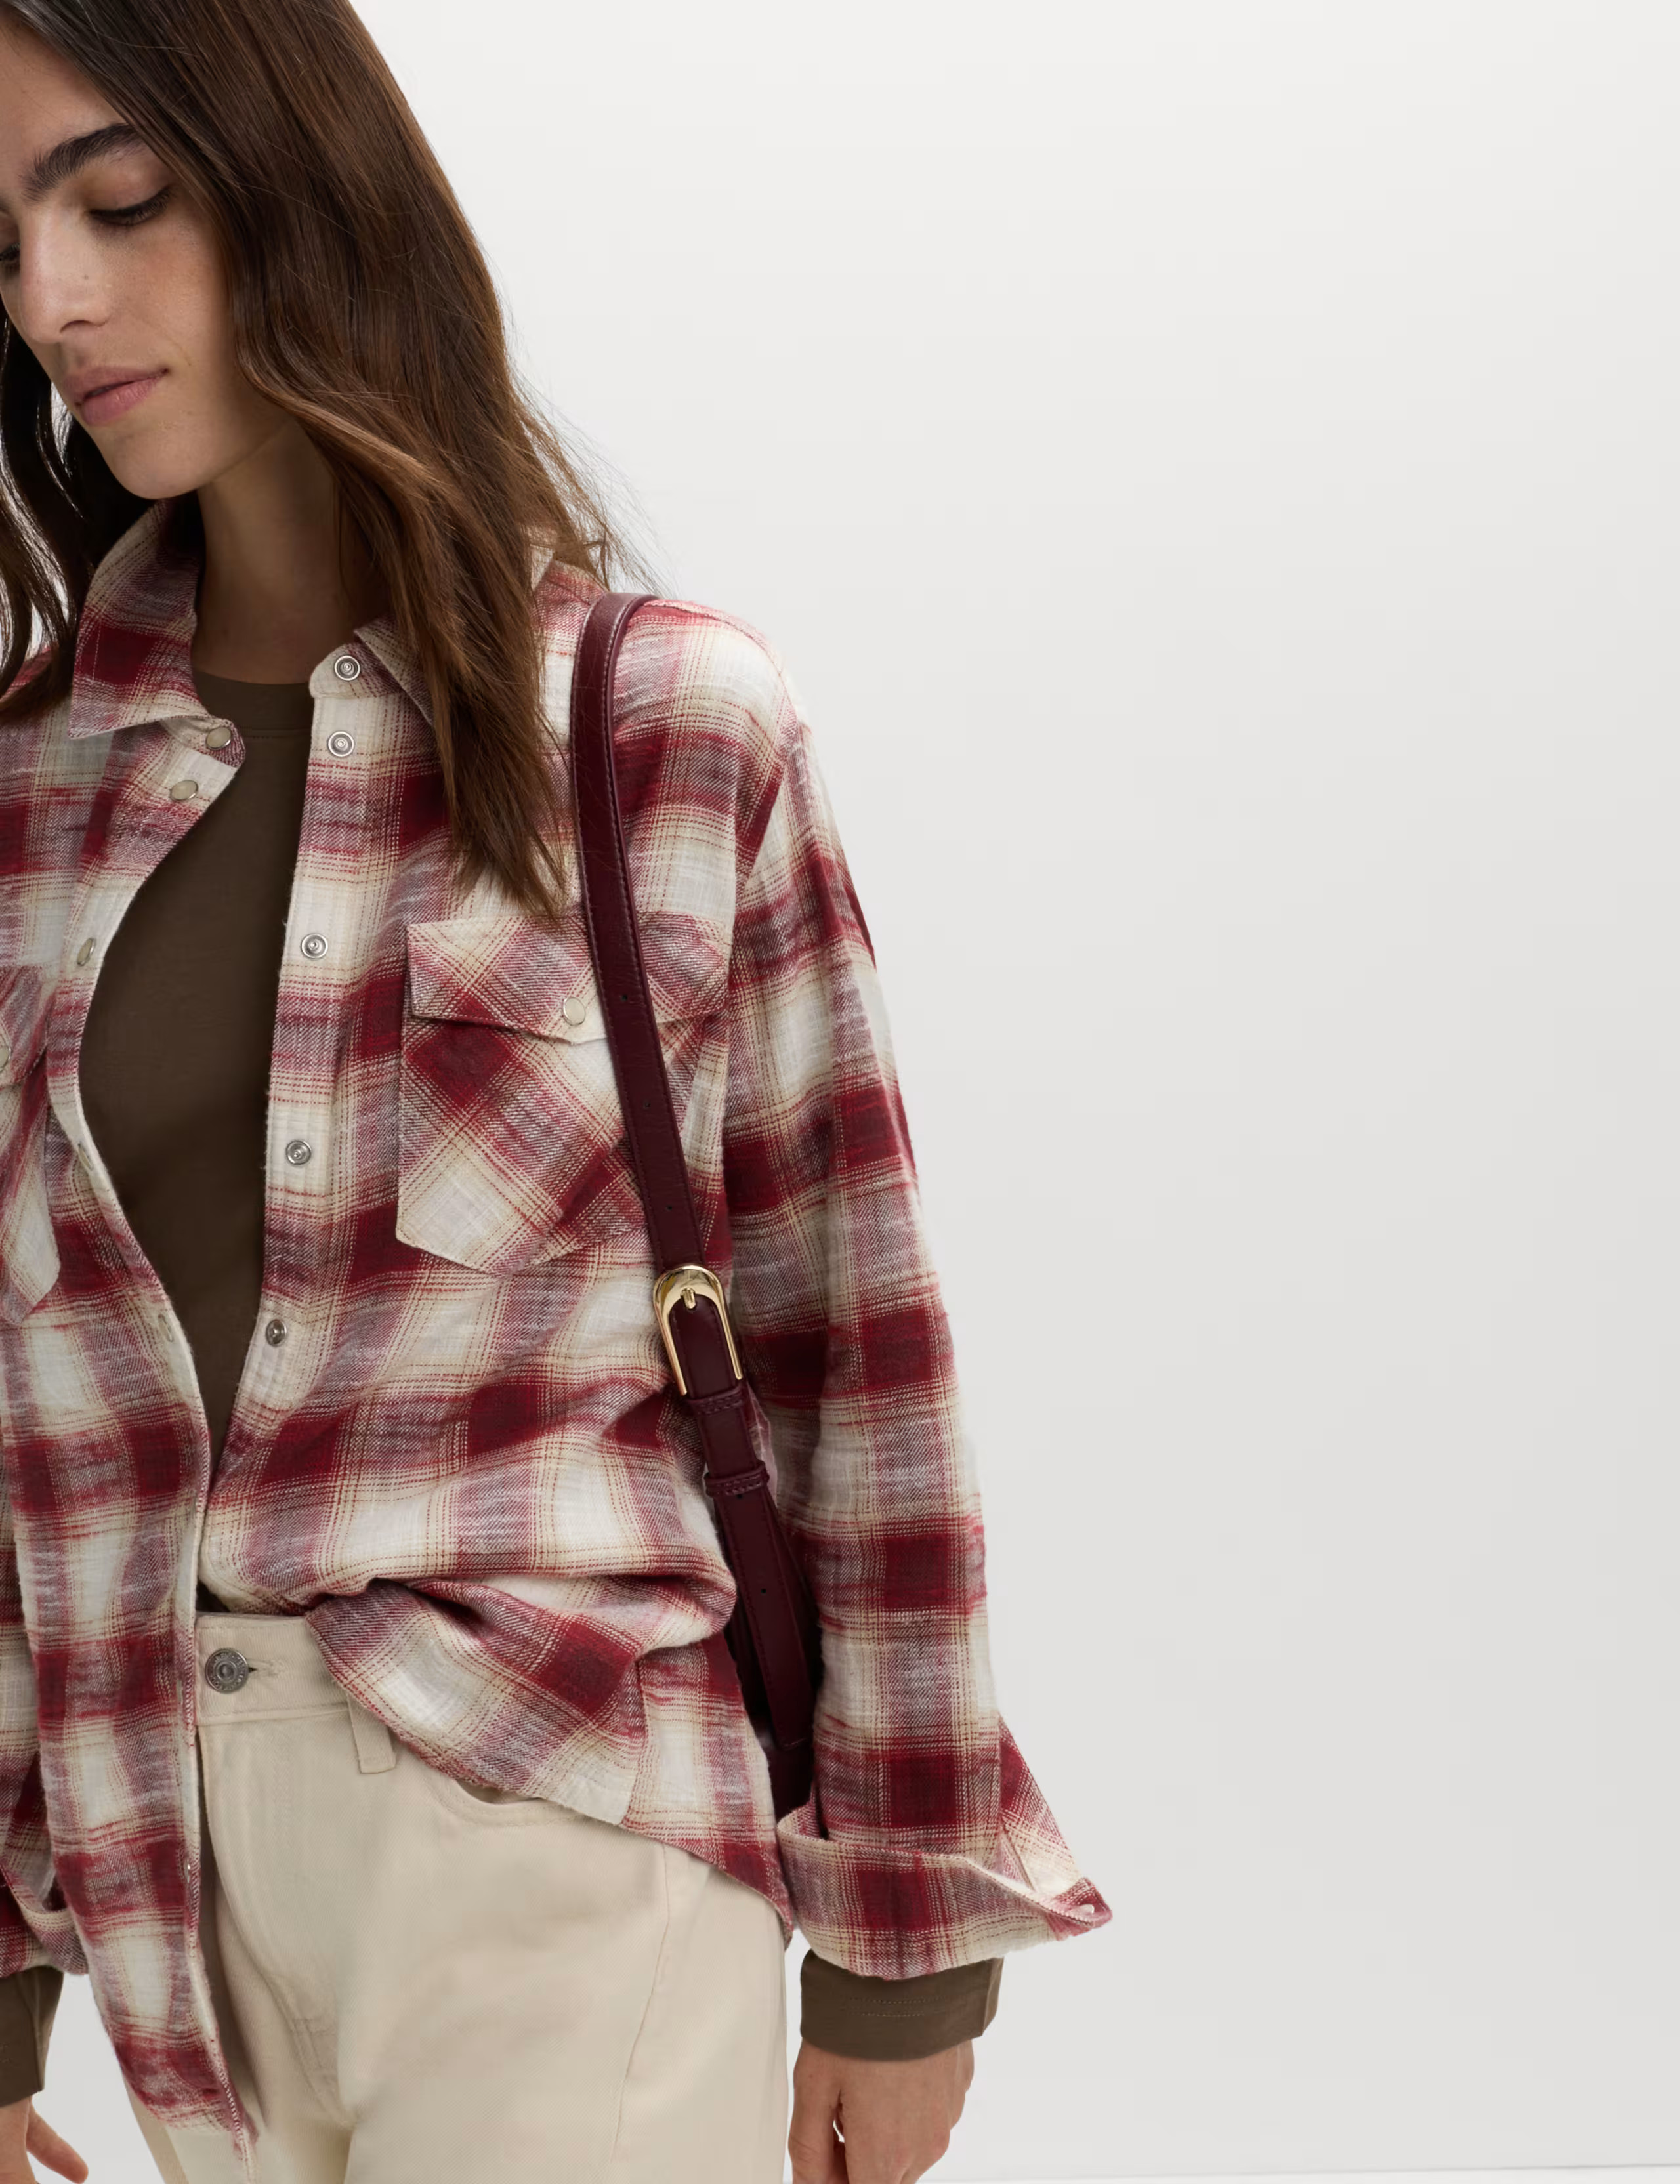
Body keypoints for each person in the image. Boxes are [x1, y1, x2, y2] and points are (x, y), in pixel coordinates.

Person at [0, 1, 1110, 2177]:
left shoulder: (666, 727)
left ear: (309, 185)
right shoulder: (31, 791)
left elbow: (851, 1347)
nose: (55, 298)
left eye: (120, 202)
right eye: (6, 244)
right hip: (169, 1907)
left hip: (559, 1848)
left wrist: (906, 1951)